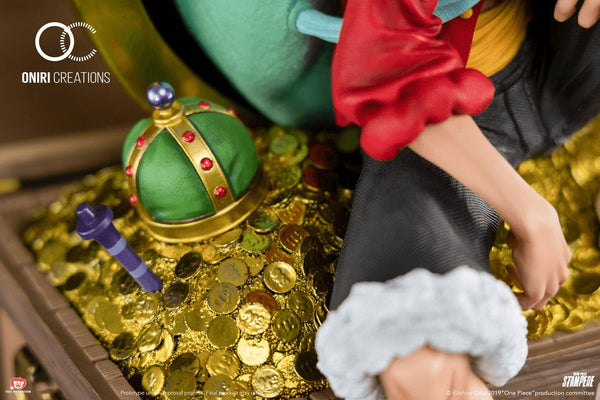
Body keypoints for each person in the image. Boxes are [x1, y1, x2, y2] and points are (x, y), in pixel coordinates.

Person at [314, 1, 600, 399]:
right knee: (418, 341)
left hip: (557, 54)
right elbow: (387, 78)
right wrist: (529, 213)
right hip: (451, 121)